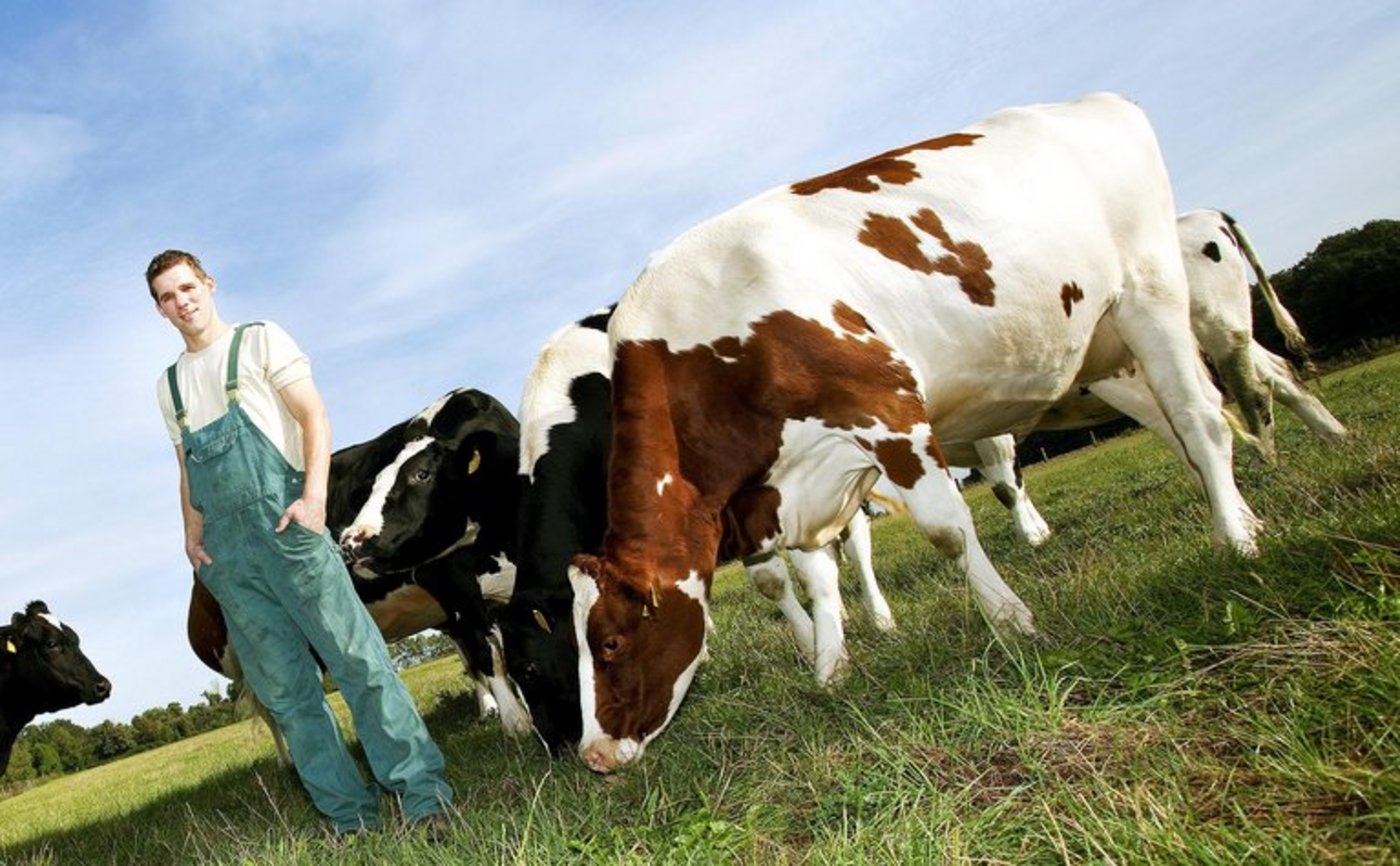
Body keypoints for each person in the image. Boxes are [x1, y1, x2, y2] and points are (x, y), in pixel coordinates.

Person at [149, 249, 453, 836]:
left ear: (209, 284)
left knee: (359, 663)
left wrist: (315, 500)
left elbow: (314, 416)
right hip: (230, 557)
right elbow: (186, 468)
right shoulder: (170, 387)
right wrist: (192, 535)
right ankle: (350, 818)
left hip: (290, 530)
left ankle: (423, 797)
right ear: (160, 310)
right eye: (167, 296)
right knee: (287, 694)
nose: (181, 302)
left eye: (187, 287)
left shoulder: (259, 341)